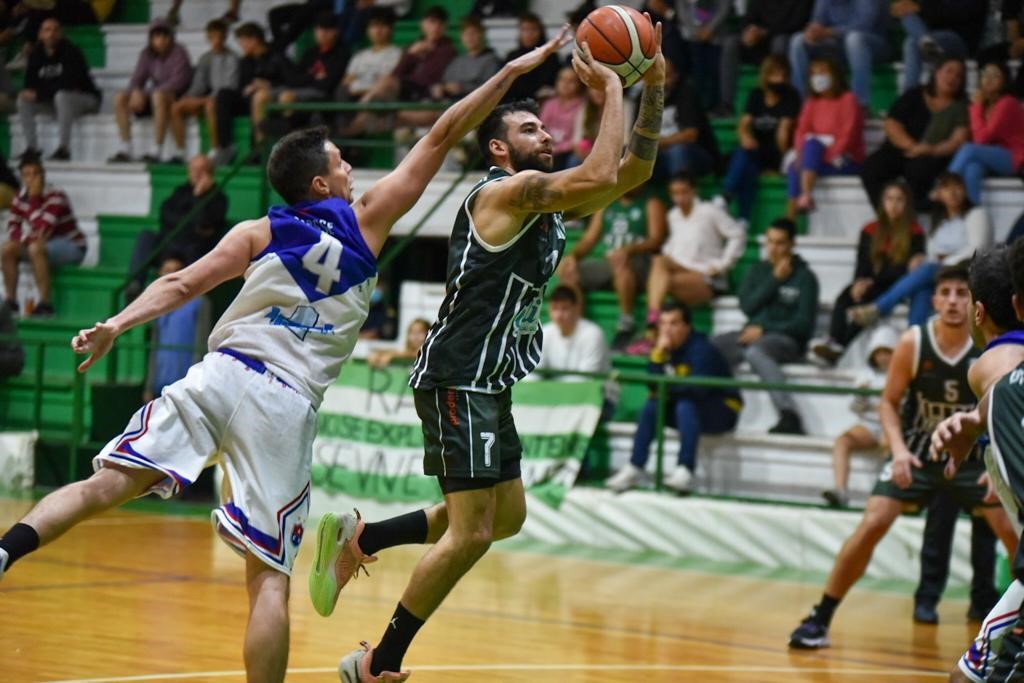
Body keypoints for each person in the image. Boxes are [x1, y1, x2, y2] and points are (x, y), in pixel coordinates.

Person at [0, 28, 575, 683]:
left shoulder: (261, 229)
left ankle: (6, 549)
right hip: (284, 406)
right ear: (322, 179)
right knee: (268, 581)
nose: (353, 170)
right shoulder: (367, 221)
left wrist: (116, 325)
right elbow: (443, 133)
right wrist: (513, 70)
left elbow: (181, 283)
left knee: (103, 485)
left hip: (221, 375)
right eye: (343, 162)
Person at [308, 27, 666, 682]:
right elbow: (601, 170)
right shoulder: (504, 193)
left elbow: (633, 172)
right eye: (531, 129)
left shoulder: (549, 207)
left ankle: (365, 537)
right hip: (458, 374)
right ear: (500, 148)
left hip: (488, 379)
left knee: (505, 517)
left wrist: (656, 85)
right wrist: (615, 87)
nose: (546, 135)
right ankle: (377, 663)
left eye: (546, 127)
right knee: (471, 533)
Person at [787, 264, 1019, 650]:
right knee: (873, 522)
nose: (952, 301)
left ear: (974, 304)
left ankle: (1018, 633)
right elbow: (888, 403)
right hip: (917, 451)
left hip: (971, 459)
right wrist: (897, 451)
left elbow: (1001, 408)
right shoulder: (914, 342)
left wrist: (997, 466)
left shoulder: (989, 347)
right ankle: (820, 617)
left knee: (1012, 534)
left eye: (961, 293)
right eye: (945, 293)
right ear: (934, 300)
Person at [931, 242, 1024, 683]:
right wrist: (975, 420)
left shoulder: (995, 365)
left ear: (979, 311)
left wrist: (978, 420)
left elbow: (1009, 376)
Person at [605, 300, 741, 493]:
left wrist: (664, 389)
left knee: (685, 404)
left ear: (687, 327)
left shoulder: (703, 349)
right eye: (663, 323)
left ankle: (685, 470)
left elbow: (697, 390)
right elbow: (653, 385)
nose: (667, 329)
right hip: (691, 407)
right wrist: (657, 355)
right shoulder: (664, 349)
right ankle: (634, 466)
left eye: (674, 323)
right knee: (653, 405)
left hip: (724, 409)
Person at [712, 218, 818, 435]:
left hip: (787, 341)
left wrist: (765, 329)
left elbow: (803, 324)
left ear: (791, 244)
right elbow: (747, 306)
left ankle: (789, 415)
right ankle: (715, 406)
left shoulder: (806, 278)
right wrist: (774, 279)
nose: (773, 248)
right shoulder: (758, 270)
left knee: (756, 352)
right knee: (710, 347)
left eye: (780, 243)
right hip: (751, 334)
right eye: (770, 241)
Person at [849, 171, 992, 329]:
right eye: (946, 188)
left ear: (965, 190)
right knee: (922, 291)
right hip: (940, 271)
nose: (952, 192)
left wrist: (944, 262)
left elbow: (977, 248)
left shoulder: (976, 214)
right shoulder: (938, 220)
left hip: (966, 269)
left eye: (957, 187)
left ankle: (878, 308)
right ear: (939, 194)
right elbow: (931, 251)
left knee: (927, 270)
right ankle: (915, 334)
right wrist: (923, 259)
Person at [812, 179, 926, 364]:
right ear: (882, 202)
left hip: (894, 287)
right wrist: (859, 282)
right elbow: (862, 262)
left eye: (899, 199)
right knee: (846, 296)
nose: (894, 205)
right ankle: (834, 339)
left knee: (867, 301)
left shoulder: (915, 232)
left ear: (907, 204)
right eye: (889, 199)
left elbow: (906, 271)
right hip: (871, 281)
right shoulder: (870, 229)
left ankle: (840, 345)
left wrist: (871, 282)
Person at [557, 186, 668, 351]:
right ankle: (577, 326)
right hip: (610, 264)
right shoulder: (606, 205)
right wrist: (573, 256)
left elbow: (656, 240)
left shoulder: (650, 203)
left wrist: (628, 250)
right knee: (568, 269)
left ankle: (627, 323)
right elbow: (589, 239)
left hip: (641, 264)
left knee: (621, 263)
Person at [859, 56, 968, 212]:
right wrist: (913, 146)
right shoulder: (915, 94)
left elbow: (958, 140)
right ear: (936, 72)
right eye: (949, 71)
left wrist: (930, 150)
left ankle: (909, 217)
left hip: (935, 155)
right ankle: (886, 216)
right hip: (901, 148)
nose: (953, 78)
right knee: (872, 168)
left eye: (959, 75)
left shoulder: (962, 105)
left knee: (920, 172)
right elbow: (892, 124)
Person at [124, 154, 229, 301]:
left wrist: (198, 197)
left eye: (201, 170)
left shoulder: (218, 198)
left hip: (193, 250)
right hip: (169, 245)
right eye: (193, 170)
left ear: (210, 174)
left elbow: (204, 223)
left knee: (193, 250)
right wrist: (190, 221)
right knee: (146, 236)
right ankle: (135, 284)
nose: (196, 174)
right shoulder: (181, 191)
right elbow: (165, 214)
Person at [342, 6, 457, 138]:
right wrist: (411, 54)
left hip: (423, 93)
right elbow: (397, 73)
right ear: (423, 24)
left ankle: (352, 124)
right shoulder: (413, 45)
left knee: (394, 115)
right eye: (432, 22)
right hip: (404, 90)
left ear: (445, 27)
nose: (435, 27)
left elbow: (429, 78)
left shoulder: (448, 50)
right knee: (387, 81)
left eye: (440, 23)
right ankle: (359, 110)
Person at [644, 172, 745, 323]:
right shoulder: (673, 215)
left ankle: (653, 321)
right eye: (675, 193)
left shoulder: (710, 211)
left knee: (660, 283)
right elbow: (674, 243)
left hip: (706, 276)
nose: (680, 198)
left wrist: (723, 264)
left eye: (684, 192)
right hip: (681, 268)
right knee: (659, 262)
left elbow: (738, 234)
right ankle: (654, 317)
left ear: (694, 191)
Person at [717, 53, 801, 222]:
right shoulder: (756, 95)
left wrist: (780, 165)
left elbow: (783, 133)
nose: (779, 79)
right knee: (746, 159)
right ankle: (742, 219)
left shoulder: (791, 96)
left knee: (745, 160)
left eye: (783, 75)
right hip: (757, 149)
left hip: (779, 152)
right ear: (766, 75)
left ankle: (728, 198)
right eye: (775, 74)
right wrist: (745, 138)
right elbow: (743, 125)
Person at [821, 325, 898, 507]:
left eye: (887, 352)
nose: (883, 357)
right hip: (870, 424)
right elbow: (854, 408)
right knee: (842, 441)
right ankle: (840, 490)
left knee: (889, 444)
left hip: (894, 424)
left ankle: (888, 495)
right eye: (879, 353)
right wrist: (861, 398)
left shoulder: (902, 374)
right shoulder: (865, 376)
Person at [1, 154, 84, 318]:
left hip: (72, 245)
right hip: (40, 243)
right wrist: (25, 239)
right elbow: (12, 228)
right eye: (27, 175)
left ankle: (46, 304)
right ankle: (11, 303)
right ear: (22, 178)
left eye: (36, 173)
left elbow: (42, 230)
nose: (32, 179)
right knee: (8, 248)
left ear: (43, 175)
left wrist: (34, 199)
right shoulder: (19, 197)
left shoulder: (56, 196)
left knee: (35, 248)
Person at [786, 56, 864, 217]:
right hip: (815, 157)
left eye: (822, 72)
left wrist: (817, 157)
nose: (817, 77)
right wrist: (802, 155)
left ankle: (795, 210)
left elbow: (848, 136)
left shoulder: (848, 99)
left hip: (845, 158)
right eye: (813, 73)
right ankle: (802, 203)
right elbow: (801, 131)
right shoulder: (811, 102)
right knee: (798, 162)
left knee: (801, 164)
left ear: (834, 75)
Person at [108, 19, 192, 164]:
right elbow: (136, 79)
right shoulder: (146, 54)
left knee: (158, 96)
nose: (161, 40)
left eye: (165, 36)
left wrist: (146, 93)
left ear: (171, 37)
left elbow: (178, 82)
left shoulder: (180, 52)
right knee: (120, 97)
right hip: (153, 98)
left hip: (174, 98)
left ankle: (157, 149)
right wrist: (136, 92)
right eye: (157, 36)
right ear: (151, 39)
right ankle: (125, 147)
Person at [17, 17, 100, 162]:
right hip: (56, 103)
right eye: (47, 30)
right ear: (40, 35)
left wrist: (40, 93)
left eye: (55, 30)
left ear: (61, 33)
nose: (51, 34)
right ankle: (32, 149)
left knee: (61, 95)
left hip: (86, 100)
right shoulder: (36, 55)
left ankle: (64, 148)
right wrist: (32, 93)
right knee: (23, 100)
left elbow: (67, 83)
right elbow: (30, 85)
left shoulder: (71, 51)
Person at [211, 22, 292, 166]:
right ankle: (225, 146)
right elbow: (242, 86)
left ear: (254, 40)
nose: (241, 45)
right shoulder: (245, 61)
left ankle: (258, 150)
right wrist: (248, 87)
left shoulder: (276, 57)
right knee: (223, 95)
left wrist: (268, 85)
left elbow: (290, 81)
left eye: (243, 41)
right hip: (247, 99)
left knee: (258, 97)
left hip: (268, 100)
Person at [787, 0, 889, 109]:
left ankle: (859, 105)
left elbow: (864, 26)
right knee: (798, 40)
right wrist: (813, 32)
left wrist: (828, 32)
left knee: (855, 39)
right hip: (837, 45)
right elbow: (817, 21)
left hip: (873, 44)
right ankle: (801, 104)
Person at [947, 60, 1024, 205]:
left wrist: (976, 106)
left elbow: (981, 140)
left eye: (995, 76)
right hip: (993, 156)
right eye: (985, 74)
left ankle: (945, 189)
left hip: (1014, 157)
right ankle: (976, 211)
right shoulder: (985, 104)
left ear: (1004, 81)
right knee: (972, 169)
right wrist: (978, 106)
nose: (988, 79)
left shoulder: (1008, 103)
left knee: (969, 149)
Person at [718, 0, 813, 114]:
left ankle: (781, 101)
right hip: (757, 42)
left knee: (780, 42)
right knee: (731, 43)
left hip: (783, 41)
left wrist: (765, 32)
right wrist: (748, 31)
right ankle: (727, 104)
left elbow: (797, 24)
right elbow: (748, 19)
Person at [168, 19, 240, 165]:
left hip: (226, 100)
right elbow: (199, 84)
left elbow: (230, 85)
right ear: (208, 38)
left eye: (220, 37)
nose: (217, 41)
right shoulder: (205, 58)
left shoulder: (233, 57)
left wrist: (209, 97)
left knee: (211, 103)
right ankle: (179, 151)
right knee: (176, 107)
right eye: (213, 37)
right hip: (207, 98)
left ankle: (215, 148)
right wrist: (188, 96)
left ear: (225, 37)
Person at [143, 254, 212, 403]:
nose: (170, 276)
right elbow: (154, 349)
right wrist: (149, 386)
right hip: (160, 384)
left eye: (175, 271)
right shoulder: (156, 306)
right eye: (166, 271)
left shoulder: (199, 303)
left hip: (185, 386)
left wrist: (195, 384)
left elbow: (202, 343)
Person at [892, 0, 986, 93]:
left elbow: (959, 13)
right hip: (931, 38)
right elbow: (929, 13)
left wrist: (920, 8)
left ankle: (909, 94)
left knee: (913, 43)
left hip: (960, 39)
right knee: (908, 19)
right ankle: (934, 55)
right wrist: (905, 8)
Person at [503, 12, 560, 103]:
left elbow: (551, 86)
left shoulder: (551, 57)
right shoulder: (512, 57)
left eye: (533, 29)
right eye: (525, 29)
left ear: (541, 32)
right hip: (514, 103)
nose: (529, 34)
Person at [540, 66, 585, 171]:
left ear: (579, 84)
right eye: (562, 79)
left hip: (568, 152)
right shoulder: (549, 104)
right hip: (548, 147)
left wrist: (557, 149)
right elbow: (542, 128)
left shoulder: (582, 105)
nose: (565, 84)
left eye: (571, 81)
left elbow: (578, 138)